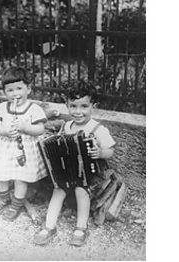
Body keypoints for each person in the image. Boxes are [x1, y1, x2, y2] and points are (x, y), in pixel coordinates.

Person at [33, 81, 116, 246]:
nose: (78, 112)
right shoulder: (66, 125)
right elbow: (58, 143)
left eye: (84, 106)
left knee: (81, 190)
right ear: (67, 106)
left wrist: (100, 153)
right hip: (68, 172)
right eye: (73, 106)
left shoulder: (98, 129)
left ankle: (81, 227)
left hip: (91, 175)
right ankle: (49, 226)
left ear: (94, 106)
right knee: (58, 189)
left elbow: (110, 151)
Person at [0, 66, 48, 221]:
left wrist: (25, 127)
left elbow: (40, 129)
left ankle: (16, 204)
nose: (15, 94)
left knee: (20, 178)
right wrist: (5, 131)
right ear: (4, 92)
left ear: (28, 89)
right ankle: (3, 198)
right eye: (10, 90)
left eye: (19, 88)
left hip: (25, 150)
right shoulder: (2, 107)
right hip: (4, 148)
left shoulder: (34, 108)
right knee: (0, 175)